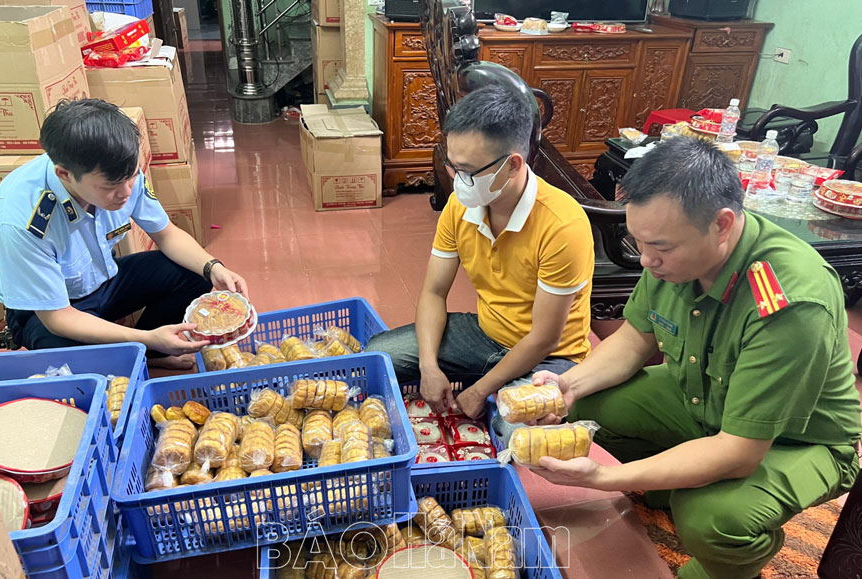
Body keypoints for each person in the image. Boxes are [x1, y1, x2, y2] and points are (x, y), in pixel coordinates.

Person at [530, 137, 862, 579]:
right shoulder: (675, 251)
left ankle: (737, 558)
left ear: (723, 225)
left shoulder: (789, 302)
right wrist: (569, 385)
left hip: (798, 439)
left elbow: (739, 452)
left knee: (711, 517)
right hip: (706, 398)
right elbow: (634, 339)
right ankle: (669, 485)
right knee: (588, 404)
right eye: (639, 242)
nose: (646, 261)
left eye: (660, 249)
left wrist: (603, 479)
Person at [367, 85, 594, 419]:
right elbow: (433, 291)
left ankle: (493, 386)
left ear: (513, 165)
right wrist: (429, 366)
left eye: (468, 170)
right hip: (486, 335)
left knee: (514, 430)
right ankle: (487, 380)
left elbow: (544, 338)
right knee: (378, 354)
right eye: (452, 165)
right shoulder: (460, 206)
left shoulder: (562, 225)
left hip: (550, 355)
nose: (457, 180)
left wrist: (480, 390)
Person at [0, 99, 248, 369]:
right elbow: (58, 317)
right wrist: (146, 338)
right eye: (111, 186)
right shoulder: (20, 217)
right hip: (48, 312)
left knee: (194, 273)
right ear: (64, 174)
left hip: (102, 281)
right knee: (76, 367)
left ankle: (149, 355)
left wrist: (213, 267)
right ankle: (142, 350)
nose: (126, 192)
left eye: (132, 176)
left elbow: (167, 234)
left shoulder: (120, 169)